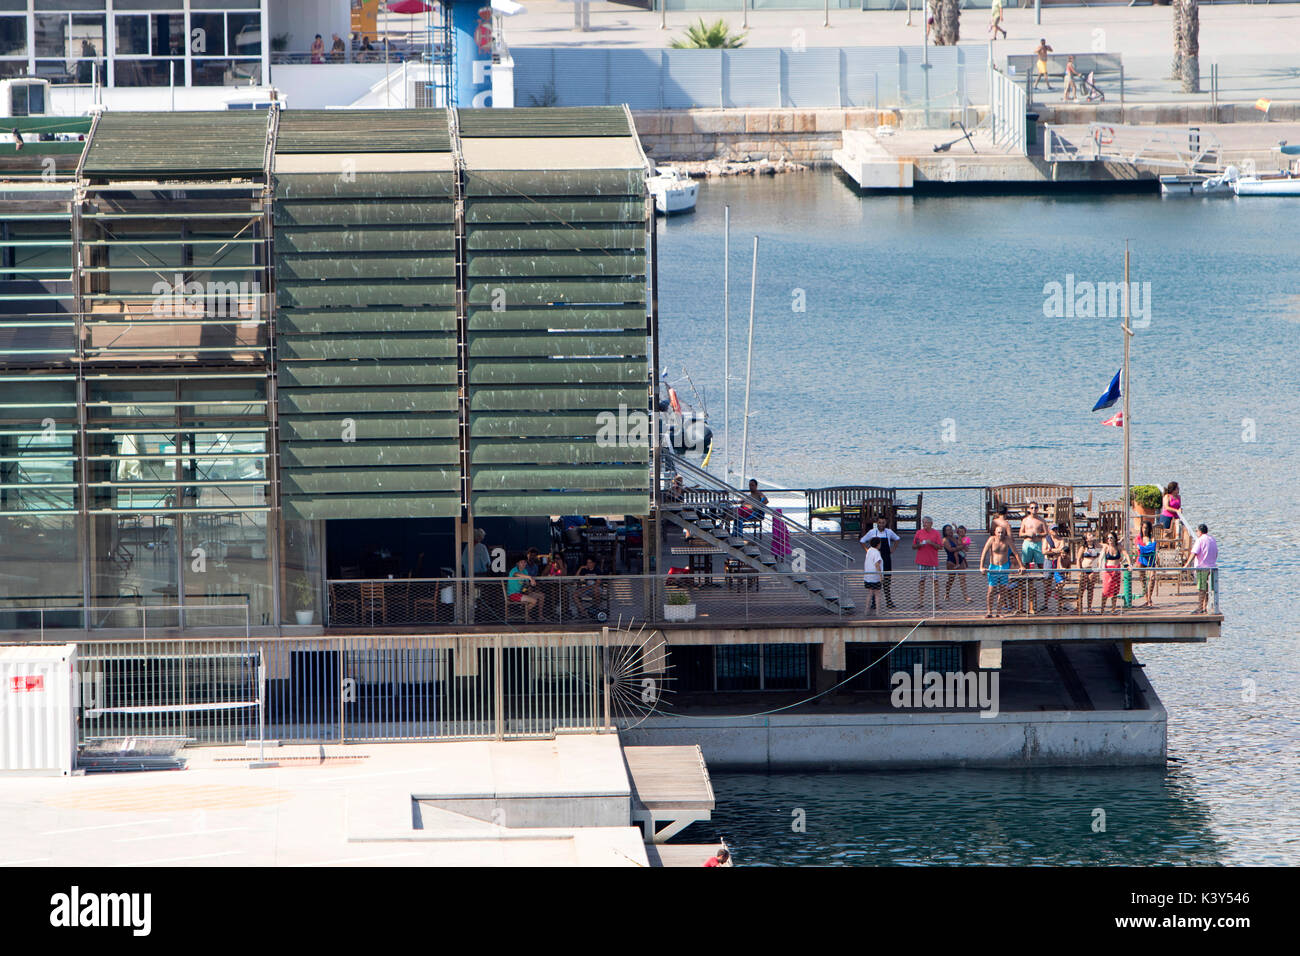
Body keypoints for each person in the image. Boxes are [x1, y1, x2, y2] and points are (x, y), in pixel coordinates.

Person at [980, 525, 1022, 619]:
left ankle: (999, 612)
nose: (1000, 534)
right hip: (993, 567)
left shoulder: (1007, 540)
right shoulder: (991, 539)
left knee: (1003, 590)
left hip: (1004, 567)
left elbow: (1015, 552)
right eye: (998, 532)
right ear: (995, 532)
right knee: (991, 590)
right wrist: (981, 566)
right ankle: (989, 611)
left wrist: (1021, 566)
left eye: (1002, 532)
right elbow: (984, 552)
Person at [860, 516, 900, 609]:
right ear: (876, 523)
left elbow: (897, 539)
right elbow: (862, 541)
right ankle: (874, 603)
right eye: (879, 522)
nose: (881, 524)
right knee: (875, 581)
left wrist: (893, 548)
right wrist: (867, 550)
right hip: (875, 560)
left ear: (885, 523)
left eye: (883, 523)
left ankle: (888, 602)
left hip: (886, 559)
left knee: (887, 581)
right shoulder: (872, 532)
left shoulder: (889, 532)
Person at [1018, 501, 1050, 614]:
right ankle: (1025, 581)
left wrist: (1037, 535)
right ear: (1029, 509)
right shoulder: (1025, 520)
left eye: (1036, 508)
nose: (1034, 509)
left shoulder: (1041, 520)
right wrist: (1027, 534)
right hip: (1027, 543)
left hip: (1037, 544)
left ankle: (1045, 584)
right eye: (1032, 508)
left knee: (1041, 566)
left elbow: (1046, 533)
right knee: (1025, 565)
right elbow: (1020, 534)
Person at [1183, 523, 1218, 614]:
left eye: (1197, 531)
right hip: (1212, 567)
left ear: (1200, 531)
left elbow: (1194, 553)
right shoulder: (1212, 539)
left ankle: (1200, 608)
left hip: (1202, 567)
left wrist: (1187, 564)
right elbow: (1216, 553)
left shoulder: (1200, 540)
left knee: (1202, 588)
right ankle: (1205, 607)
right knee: (1208, 589)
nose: (1196, 532)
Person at [912, 516, 943, 608]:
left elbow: (940, 547)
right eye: (923, 522)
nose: (924, 524)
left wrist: (931, 543)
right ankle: (920, 602)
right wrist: (919, 545)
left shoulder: (936, 533)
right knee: (921, 581)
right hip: (921, 561)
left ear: (931, 523)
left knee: (935, 581)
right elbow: (913, 546)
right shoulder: (919, 533)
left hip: (932, 561)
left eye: (926, 522)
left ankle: (937, 602)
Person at [1045, 524, 1074, 613]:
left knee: (1060, 584)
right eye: (1053, 529)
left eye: (1056, 529)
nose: (1055, 531)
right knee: (1047, 583)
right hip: (1049, 561)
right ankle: (1045, 604)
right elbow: (1044, 551)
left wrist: (1051, 550)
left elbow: (1062, 550)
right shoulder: (1046, 539)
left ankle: (1060, 604)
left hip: (1058, 563)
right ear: (1049, 530)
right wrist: (1055, 550)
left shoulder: (1061, 540)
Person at [1099, 531, 1128, 613]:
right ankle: (1102, 609)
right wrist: (1101, 567)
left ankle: (1113, 609)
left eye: (1111, 538)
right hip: (1108, 570)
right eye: (1108, 538)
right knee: (1106, 590)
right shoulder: (1106, 547)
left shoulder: (1118, 546)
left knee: (1115, 590)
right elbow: (1101, 558)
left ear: (1115, 539)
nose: (1109, 539)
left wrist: (1129, 563)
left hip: (1117, 569)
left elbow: (1125, 554)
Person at [942, 524, 970, 603]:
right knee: (951, 579)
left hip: (960, 560)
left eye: (951, 529)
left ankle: (966, 596)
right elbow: (951, 549)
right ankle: (947, 594)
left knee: (962, 579)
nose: (950, 531)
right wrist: (961, 547)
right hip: (951, 561)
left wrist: (965, 547)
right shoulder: (945, 540)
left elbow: (965, 547)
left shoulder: (956, 538)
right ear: (944, 532)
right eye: (948, 530)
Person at [1134, 520, 1158, 608]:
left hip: (1150, 560)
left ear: (1149, 529)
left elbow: (1152, 549)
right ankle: (1147, 599)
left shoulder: (1152, 538)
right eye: (1143, 528)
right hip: (1141, 560)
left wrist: (1145, 548)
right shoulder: (1138, 538)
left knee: (1152, 578)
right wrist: (1146, 548)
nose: (1145, 530)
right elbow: (1140, 549)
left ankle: (1149, 598)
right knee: (1143, 580)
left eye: (1146, 528)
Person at [1076, 530, 1101, 614]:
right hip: (1084, 569)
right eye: (1089, 535)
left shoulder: (1096, 546)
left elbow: (1100, 554)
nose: (1092, 536)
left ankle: (1089, 607)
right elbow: (1078, 559)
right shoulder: (1083, 548)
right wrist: (1079, 570)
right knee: (1081, 589)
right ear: (1086, 539)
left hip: (1092, 569)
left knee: (1090, 589)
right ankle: (1079, 606)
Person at [862, 538, 884, 615]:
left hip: (868, 576)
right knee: (877, 594)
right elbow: (877, 564)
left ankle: (866, 610)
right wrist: (880, 576)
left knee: (870, 593)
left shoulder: (869, 551)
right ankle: (878, 612)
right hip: (875, 577)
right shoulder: (876, 552)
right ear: (878, 544)